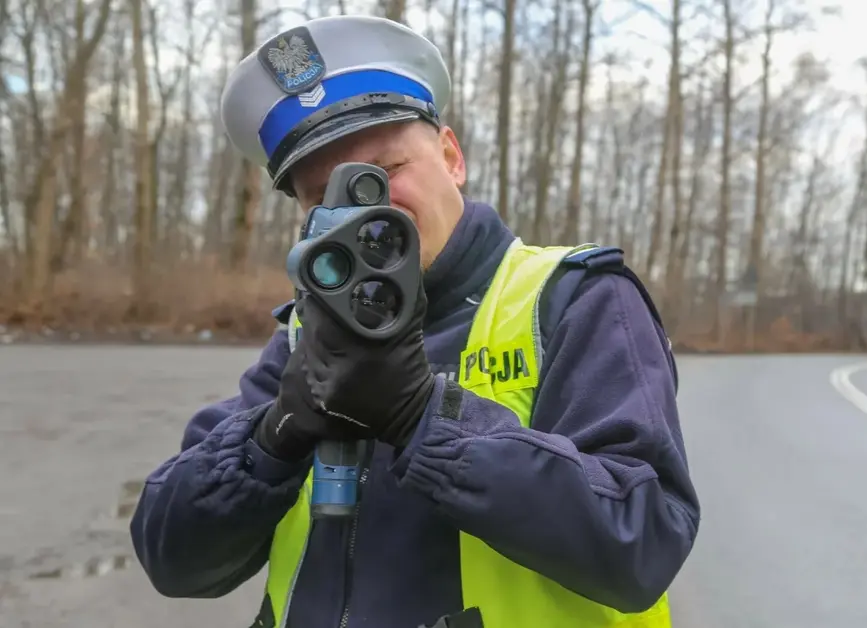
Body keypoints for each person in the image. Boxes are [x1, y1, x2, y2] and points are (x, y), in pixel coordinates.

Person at [128, 14, 701, 628]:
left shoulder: (571, 299)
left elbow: (645, 541)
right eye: (324, 196)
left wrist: (428, 422)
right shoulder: (303, 334)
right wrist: (272, 439)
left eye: (384, 174)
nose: (363, 211)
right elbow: (172, 558)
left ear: (451, 157)